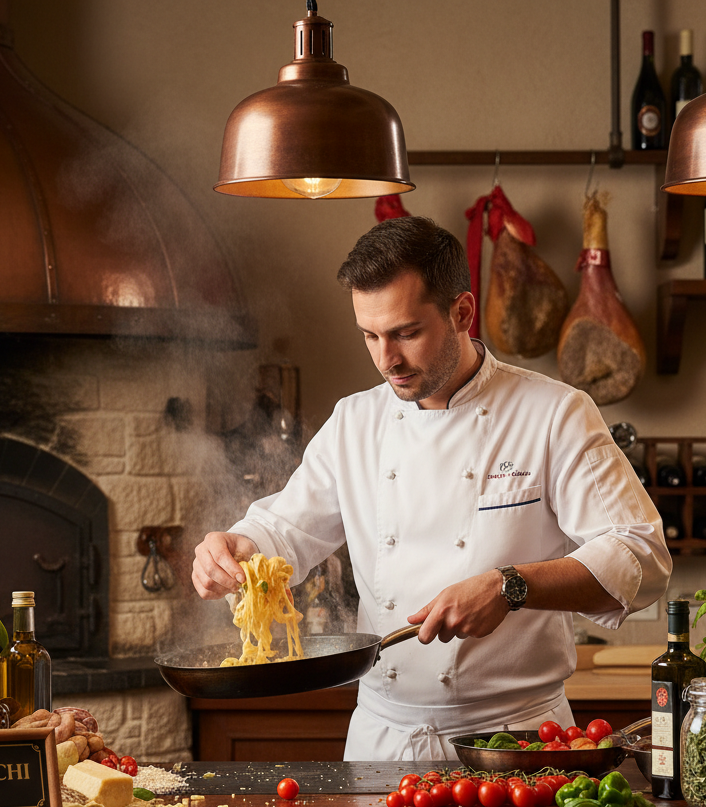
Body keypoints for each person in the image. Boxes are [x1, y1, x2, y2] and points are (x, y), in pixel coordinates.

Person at [192, 217, 671, 760]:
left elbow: (642, 557)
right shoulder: (355, 422)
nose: (386, 359)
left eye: (406, 333)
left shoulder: (554, 413)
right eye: (370, 336)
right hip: (384, 741)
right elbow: (285, 528)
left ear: (462, 312)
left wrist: (510, 586)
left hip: (516, 743)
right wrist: (237, 549)